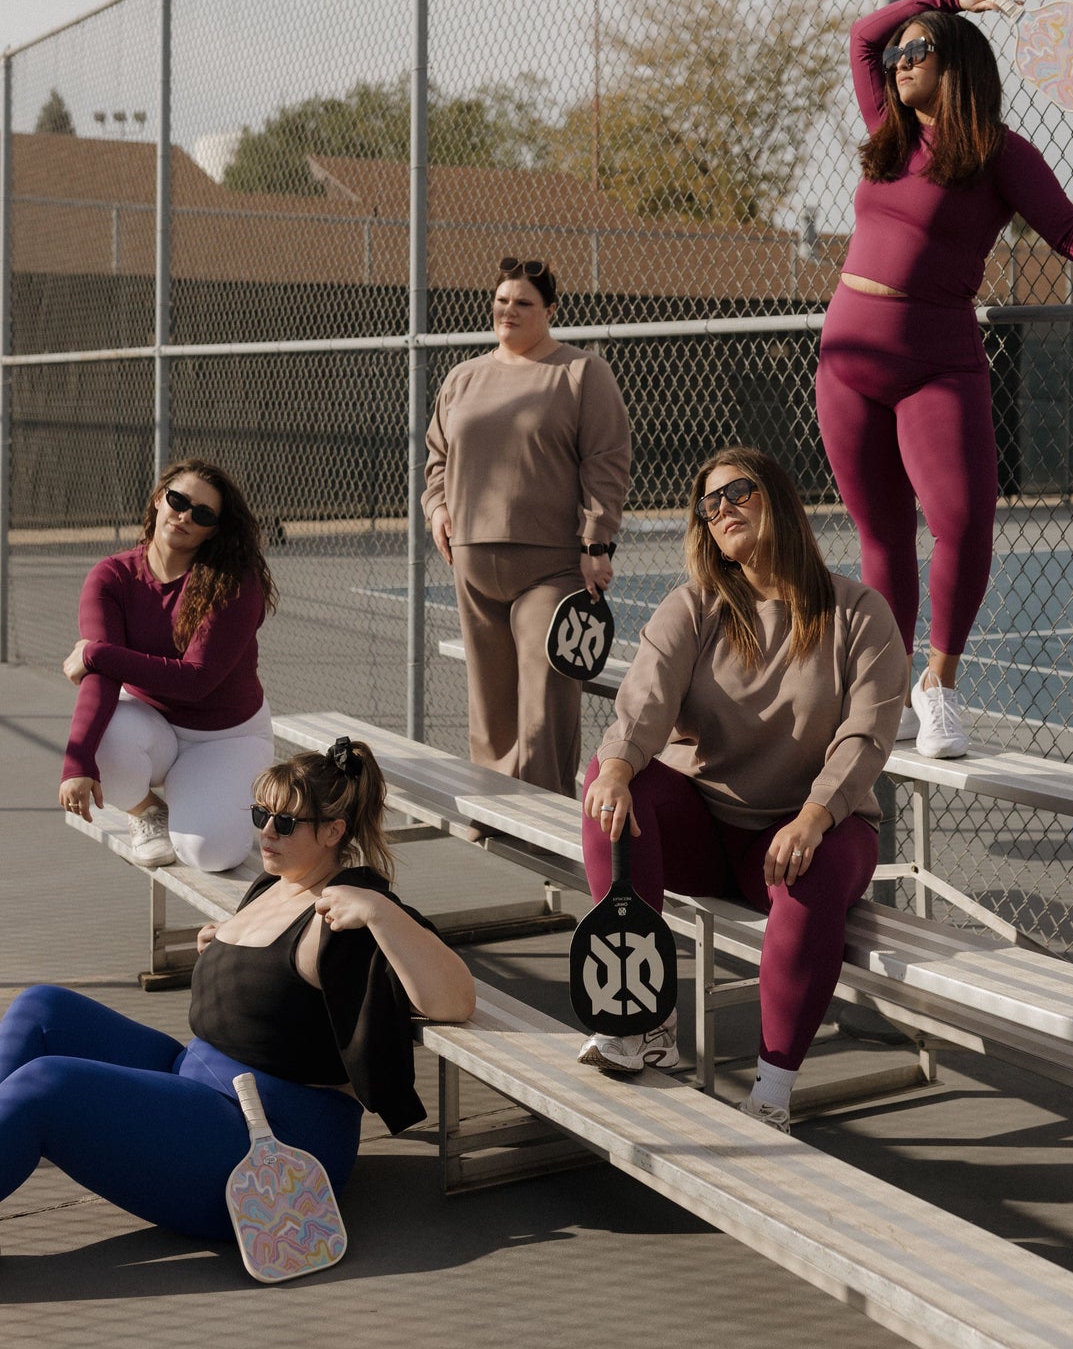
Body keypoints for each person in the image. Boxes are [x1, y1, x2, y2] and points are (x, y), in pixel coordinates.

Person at [816, 0, 1073, 759]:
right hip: (847, 356)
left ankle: (939, 683)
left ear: (957, 62)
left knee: (963, 518)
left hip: (937, 360)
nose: (898, 61)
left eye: (918, 50)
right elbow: (864, 34)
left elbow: (1067, 228)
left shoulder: (1000, 154)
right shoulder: (887, 130)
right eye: (900, 55)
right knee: (881, 533)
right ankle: (889, 688)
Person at [1, 738, 475, 1244]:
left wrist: (383, 914)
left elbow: (454, 1000)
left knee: (47, 1085)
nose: (266, 833)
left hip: (266, 1141)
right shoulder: (277, 884)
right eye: (261, 814)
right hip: (198, 1082)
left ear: (334, 831)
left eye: (286, 823)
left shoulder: (350, 909)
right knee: (41, 1008)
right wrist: (225, 949)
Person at [580, 445, 907, 1134]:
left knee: (812, 867)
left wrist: (814, 816)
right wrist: (614, 765)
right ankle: (642, 1015)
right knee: (608, 783)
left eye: (737, 492)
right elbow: (642, 706)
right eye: (708, 502)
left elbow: (865, 735)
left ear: (779, 498)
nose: (721, 508)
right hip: (706, 826)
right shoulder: (693, 606)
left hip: (809, 831)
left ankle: (772, 1091)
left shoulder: (858, 611)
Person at [424, 256, 631, 795]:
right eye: (501, 302)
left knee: (544, 707)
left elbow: (606, 462)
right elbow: (437, 457)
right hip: (472, 563)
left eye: (523, 303)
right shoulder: (463, 377)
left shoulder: (582, 372)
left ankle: (545, 818)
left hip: (553, 569)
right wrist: (437, 507)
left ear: (550, 311)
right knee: (489, 707)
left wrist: (597, 540)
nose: (508, 311)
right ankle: (494, 814)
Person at [58, 459, 279, 872]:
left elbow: (198, 681)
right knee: (105, 737)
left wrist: (95, 652)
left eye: (203, 514)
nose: (184, 516)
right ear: (159, 499)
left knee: (211, 855)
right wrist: (77, 763)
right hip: (150, 723)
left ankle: (198, 792)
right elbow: (100, 683)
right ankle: (147, 810)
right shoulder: (111, 577)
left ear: (214, 528)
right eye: (178, 500)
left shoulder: (234, 581)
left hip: (225, 736)